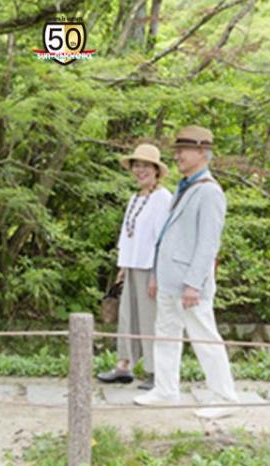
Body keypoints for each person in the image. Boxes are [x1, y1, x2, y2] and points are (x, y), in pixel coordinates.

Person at [133, 126, 239, 419]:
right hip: (168, 278)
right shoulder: (184, 187)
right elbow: (166, 235)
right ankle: (166, 389)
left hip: (191, 284)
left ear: (202, 153)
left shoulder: (209, 192)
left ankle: (225, 397)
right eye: (177, 149)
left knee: (204, 338)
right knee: (165, 335)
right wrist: (156, 273)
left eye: (183, 150)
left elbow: (208, 243)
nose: (177, 155)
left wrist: (194, 283)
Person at [97, 143, 172, 390]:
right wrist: (122, 266)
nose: (140, 171)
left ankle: (154, 371)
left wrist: (157, 275)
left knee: (150, 319)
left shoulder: (163, 198)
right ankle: (123, 365)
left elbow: (163, 239)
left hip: (151, 267)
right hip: (131, 265)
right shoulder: (135, 198)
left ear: (156, 170)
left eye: (145, 166)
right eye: (136, 166)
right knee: (127, 317)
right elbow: (128, 234)